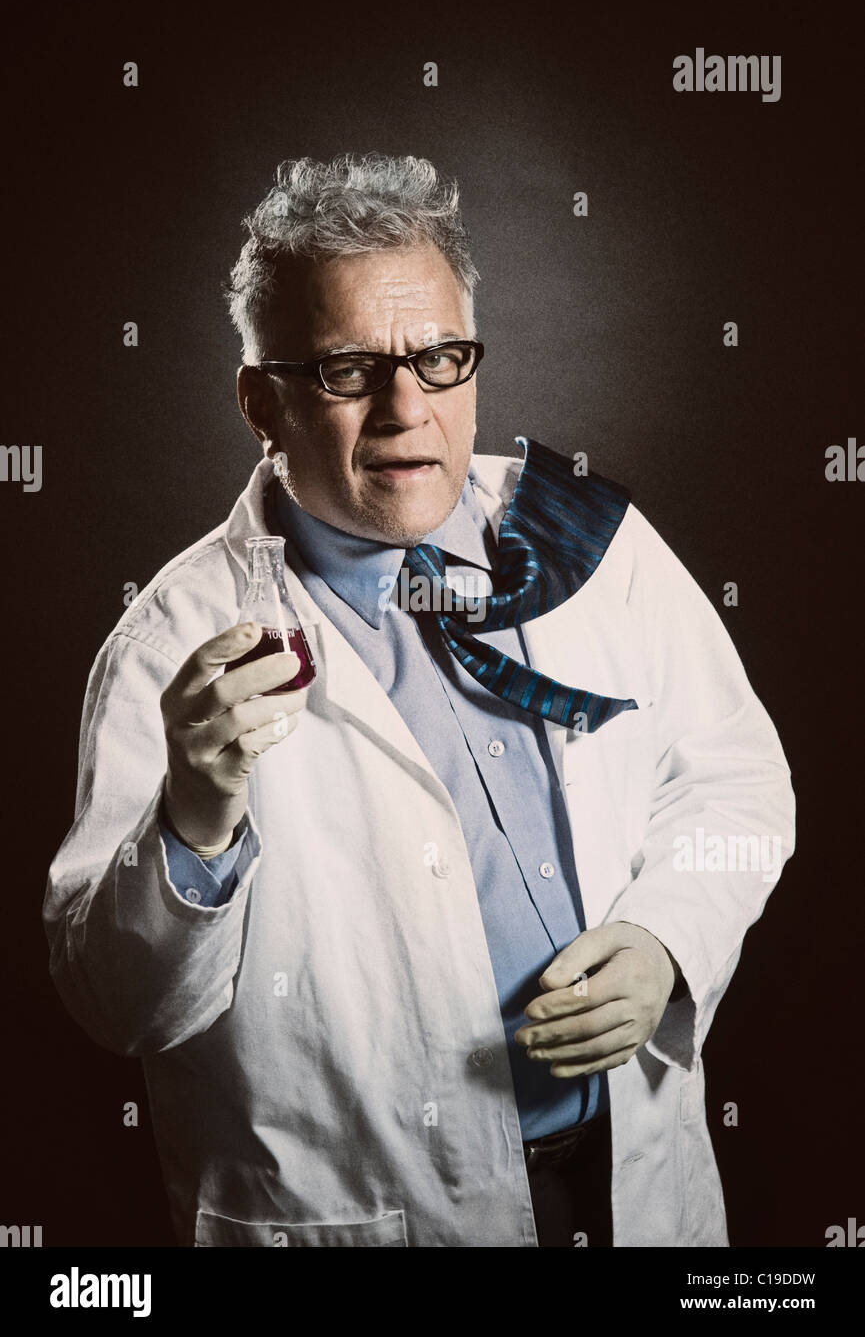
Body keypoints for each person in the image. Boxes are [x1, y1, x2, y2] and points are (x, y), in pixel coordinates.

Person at [44, 153, 795, 1248]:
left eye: (440, 358)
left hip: (636, 1192)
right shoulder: (173, 640)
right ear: (261, 398)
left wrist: (664, 940)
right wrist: (194, 819)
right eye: (349, 369)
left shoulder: (589, 540)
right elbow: (118, 1004)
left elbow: (736, 780)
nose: (408, 409)